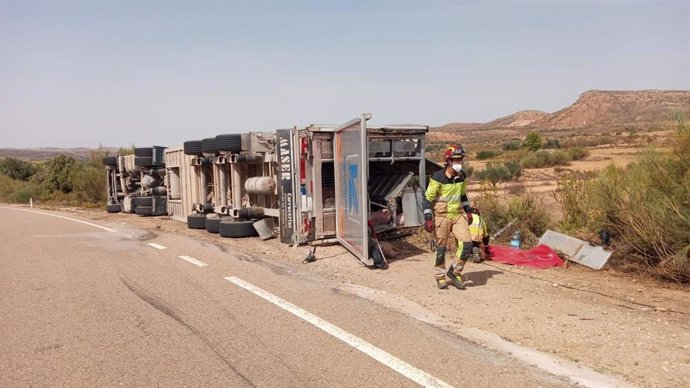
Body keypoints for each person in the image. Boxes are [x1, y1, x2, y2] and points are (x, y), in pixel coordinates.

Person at [423, 145, 474, 289]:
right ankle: (439, 276)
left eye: (460, 159)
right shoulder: (438, 177)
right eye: (456, 159)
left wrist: (468, 210)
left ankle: (454, 271)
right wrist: (428, 218)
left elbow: (463, 195)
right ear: (448, 160)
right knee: (441, 248)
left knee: (467, 245)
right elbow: (428, 199)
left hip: (457, 215)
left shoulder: (462, 176)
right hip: (442, 216)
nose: (459, 162)